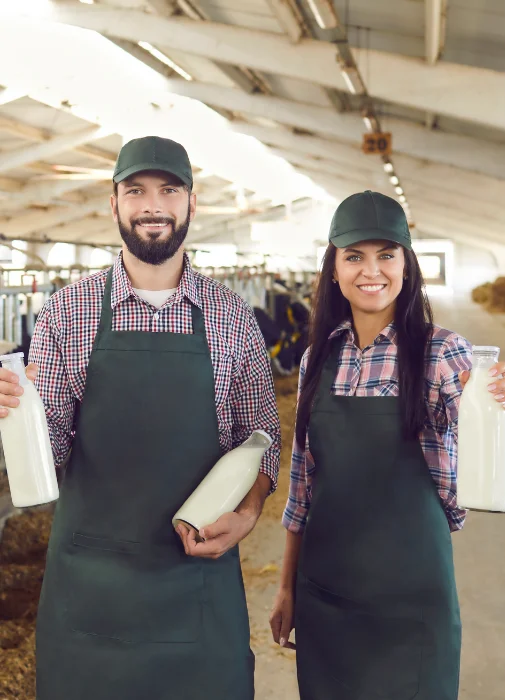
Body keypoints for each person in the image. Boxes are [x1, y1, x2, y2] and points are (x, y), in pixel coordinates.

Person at [0, 136, 281, 700]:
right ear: (114, 204)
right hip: (91, 594)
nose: (153, 204)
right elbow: (48, 452)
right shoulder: (68, 310)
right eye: (136, 191)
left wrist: (249, 513)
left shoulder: (231, 316)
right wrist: (14, 416)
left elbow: (263, 441)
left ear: (191, 204)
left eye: (169, 190)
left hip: (197, 584)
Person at [269, 190, 505, 700]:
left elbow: (486, 432)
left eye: (386, 254)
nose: (370, 270)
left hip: (411, 605)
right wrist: (287, 586)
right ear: (333, 268)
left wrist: (495, 398)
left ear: (406, 264)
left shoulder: (443, 353)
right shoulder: (317, 359)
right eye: (354, 256)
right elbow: (301, 488)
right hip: (325, 596)